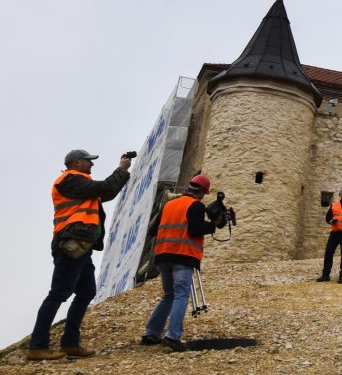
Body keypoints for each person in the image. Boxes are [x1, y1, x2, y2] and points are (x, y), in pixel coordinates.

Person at [28, 149, 132, 361]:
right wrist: (121, 169)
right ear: (76, 162)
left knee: (86, 292)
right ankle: (37, 346)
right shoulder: (69, 180)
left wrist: (122, 173)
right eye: (88, 161)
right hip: (71, 244)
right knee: (58, 293)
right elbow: (105, 187)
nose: (92, 164)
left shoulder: (81, 185)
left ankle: (70, 343)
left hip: (81, 246)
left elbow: (108, 192)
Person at [141, 174, 225, 352]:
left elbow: (153, 230)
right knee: (180, 295)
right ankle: (172, 336)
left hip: (162, 255)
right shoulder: (196, 205)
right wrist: (214, 225)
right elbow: (195, 230)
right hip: (183, 255)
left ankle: (151, 334)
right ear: (202, 192)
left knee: (169, 295)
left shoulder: (169, 204)